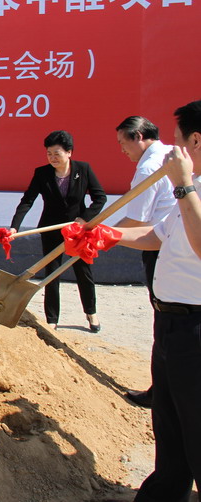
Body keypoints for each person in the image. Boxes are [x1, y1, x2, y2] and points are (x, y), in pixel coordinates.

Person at [113, 100, 201, 501]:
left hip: (195, 328)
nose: (172, 150)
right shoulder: (194, 187)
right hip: (169, 324)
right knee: (170, 427)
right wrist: (106, 236)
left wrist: (181, 185)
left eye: (178, 141)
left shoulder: (189, 188)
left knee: (196, 427)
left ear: (195, 141)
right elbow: (156, 234)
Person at [9, 130, 107, 331]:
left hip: (77, 231)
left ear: (69, 152)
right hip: (51, 229)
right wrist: (14, 226)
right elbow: (27, 201)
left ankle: (91, 312)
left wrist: (84, 219)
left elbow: (100, 198)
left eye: (57, 153)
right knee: (51, 273)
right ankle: (52, 319)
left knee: (83, 272)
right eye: (49, 154)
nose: (52, 158)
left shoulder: (83, 169)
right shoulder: (42, 173)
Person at [114, 116, 175, 408]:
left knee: (165, 321)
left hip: (159, 246)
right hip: (177, 244)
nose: (122, 150)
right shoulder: (171, 153)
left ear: (138, 136)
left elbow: (138, 220)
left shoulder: (149, 167)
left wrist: (103, 234)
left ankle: (160, 393)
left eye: (123, 143)